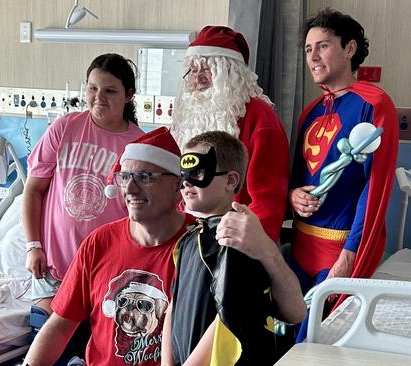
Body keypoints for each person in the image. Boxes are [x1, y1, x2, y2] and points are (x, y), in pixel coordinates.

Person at [23, 127, 192, 366]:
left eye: (145, 177)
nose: (130, 189)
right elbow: (61, 324)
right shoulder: (98, 243)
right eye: (124, 177)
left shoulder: (199, 246)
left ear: (177, 185)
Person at [289, 8, 398, 341]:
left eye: (322, 46)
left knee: (310, 343)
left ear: (349, 49)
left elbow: (374, 189)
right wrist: (292, 195)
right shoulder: (312, 110)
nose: (313, 57)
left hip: (338, 251)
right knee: (283, 333)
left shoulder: (374, 104)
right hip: (299, 247)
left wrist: (350, 255)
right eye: (308, 49)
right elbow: (295, 176)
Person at [161, 131, 306, 365]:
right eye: (184, 174)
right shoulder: (188, 240)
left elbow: (229, 314)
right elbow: (173, 305)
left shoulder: (236, 239)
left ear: (231, 180)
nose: (186, 182)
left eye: (198, 173)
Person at [22, 53, 144, 314]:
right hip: (52, 270)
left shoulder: (139, 146)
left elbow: (142, 215)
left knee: (89, 351)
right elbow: (33, 190)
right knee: (48, 344)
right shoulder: (64, 127)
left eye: (110, 91)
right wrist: (33, 246)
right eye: (92, 88)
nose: (98, 97)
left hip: (106, 274)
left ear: (129, 95)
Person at [170, 25, 289, 243]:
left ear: (230, 73)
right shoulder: (186, 117)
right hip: (190, 236)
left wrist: (252, 250)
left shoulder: (259, 117)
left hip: (234, 240)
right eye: (193, 71)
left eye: (207, 69)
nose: (198, 78)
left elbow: (267, 202)